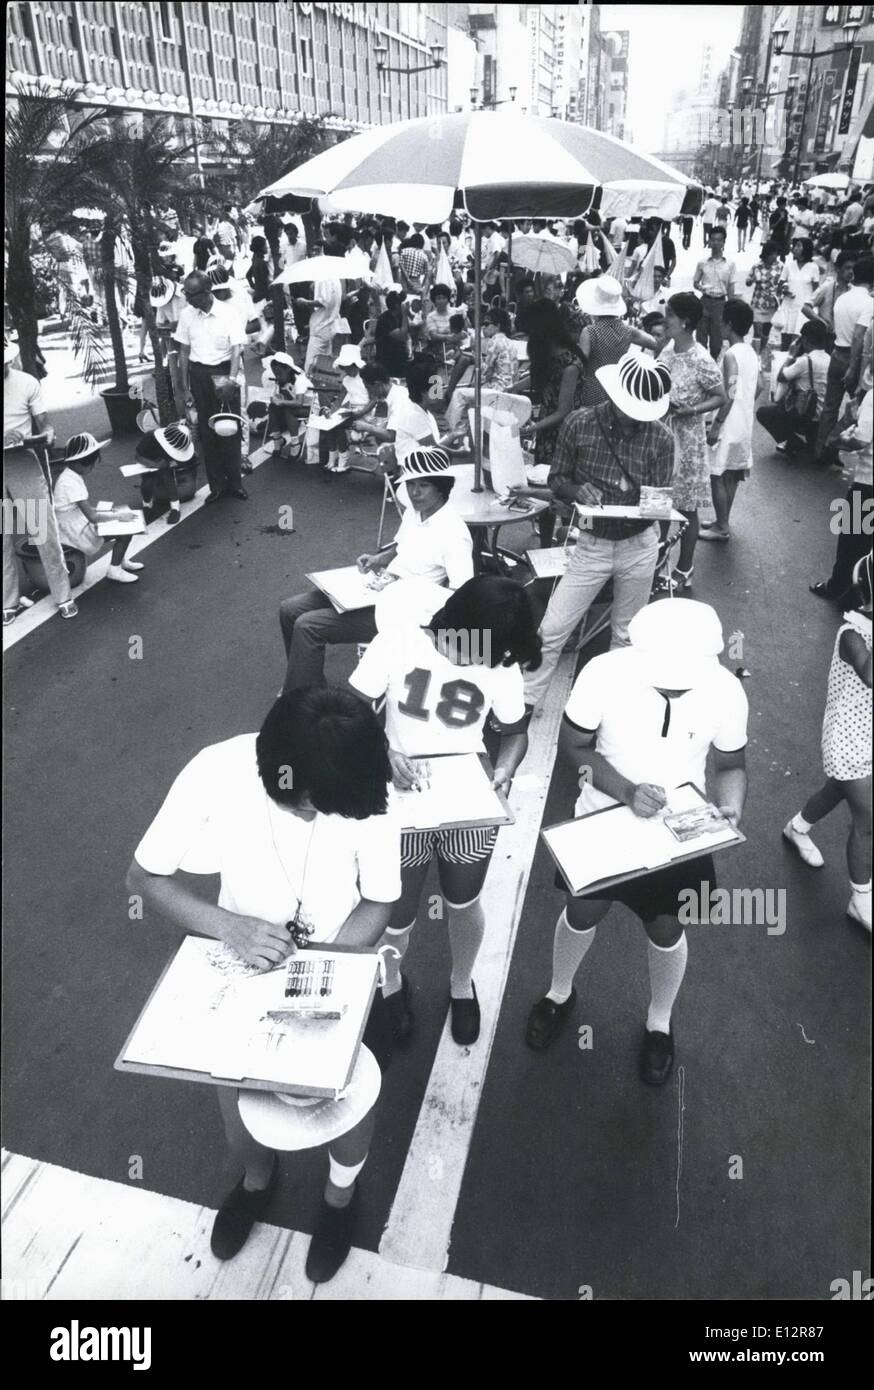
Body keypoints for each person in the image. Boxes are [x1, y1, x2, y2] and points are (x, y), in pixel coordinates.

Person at [126, 686, 402, 1280]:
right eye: (310, 806)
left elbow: (379, 899)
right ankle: (256, 1180)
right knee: (237, 1101)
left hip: (336, 961)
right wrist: (230, 927)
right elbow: (145, 878)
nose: (320, 816)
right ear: (280, 780)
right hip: (241, 963)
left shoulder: (366, 784)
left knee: (344, 1099)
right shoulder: (213, 771)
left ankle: (339, 1199)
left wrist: (318, 967)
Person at [524, 598, 749, 1083]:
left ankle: (659, 1022)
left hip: (679, 835)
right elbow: (574, 748)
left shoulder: (727, 690)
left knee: (666, 929)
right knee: (582, 912)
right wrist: (626, 792)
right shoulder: (603, 673)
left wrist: (732, 807)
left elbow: (731, 767)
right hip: (599, 820)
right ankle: (559, 992)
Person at [350, 577, 541, 1047]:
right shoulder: (397, 641)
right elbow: (349, 714)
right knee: (396, 912)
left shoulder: (499, 661)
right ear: (455, 623)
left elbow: (515, 732)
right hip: (399, 798)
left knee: (463, 902)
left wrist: (505, 771)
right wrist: (380, 754)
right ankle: (391, 984)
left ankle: (461, 984)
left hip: (468, 800)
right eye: (477, 651)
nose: (481, 663)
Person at [521, 350, 675, 712]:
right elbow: (558, 478)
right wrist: (577, 491)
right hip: (590, 542)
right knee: (554, 627)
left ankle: (612, 708)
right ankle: (525, 700)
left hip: (639, 545)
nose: (634, 419)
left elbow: (659, 502)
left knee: (626, 634)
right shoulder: (579, 423)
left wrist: (651, 514)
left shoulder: (662, 439)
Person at [279, 447, 474, 691]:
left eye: (423, 486)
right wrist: (378, 558)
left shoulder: (454, 534)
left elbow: (461, 593)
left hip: (402, 609)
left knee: (308, 626)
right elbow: (402, 547)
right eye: (411, 484)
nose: (414, 492)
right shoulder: (416, 512)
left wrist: (412, 600)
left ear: (442, 487)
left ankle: (302, 698)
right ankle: (308, 681)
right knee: (289, 610)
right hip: (377, 586)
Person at [783, 553, 872, 932]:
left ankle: (797, 827)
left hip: (868, 736)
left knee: (836, 790)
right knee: (868, 820)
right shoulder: (852, 633)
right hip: (849, 739)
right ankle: (861, 899)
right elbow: (870, 675)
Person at [3, 341, 76, 623]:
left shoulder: (26, 383)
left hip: (22, 461)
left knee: (42, 530)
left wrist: (46, 433)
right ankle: (7, 601)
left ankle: (63, 594)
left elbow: (44, 423)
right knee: (2, 534)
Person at [657, 293, 727, 590]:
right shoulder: (668, 350)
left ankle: (685, 567)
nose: (665, 319)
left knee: (685, 507)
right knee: (658, 503)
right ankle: (658, 562)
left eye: (670, 314)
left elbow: (721, 397)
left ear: (685, 321)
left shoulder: (701, 358)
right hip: (662, 433)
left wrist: (692, 409)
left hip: (687, 440)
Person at [174, 272, 247, 503]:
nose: (187, 298)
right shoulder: (186, 315)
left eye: (191, 294)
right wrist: (184, 387)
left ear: (206, 292)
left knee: (230, 429)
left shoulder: (228, 313)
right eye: (185, 292)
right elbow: (184, 351)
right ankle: (217, 486)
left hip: (225, 372)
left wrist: (232, 380)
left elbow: (237, 349)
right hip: (199, 375)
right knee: (207, 432)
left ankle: (235, 483)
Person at [809, 387, 873, 606]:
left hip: (868, 482)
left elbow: (862, 439)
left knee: (852, 539)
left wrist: (845, 438)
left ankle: (840, 588)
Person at [702, 299, 759, 540]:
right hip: (743, 421)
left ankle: (722, 526)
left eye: (723, 322)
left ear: (729, 324)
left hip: (728, 422)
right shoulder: (751, 352)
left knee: (717, 475)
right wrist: (745, 405)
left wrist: (716, 424)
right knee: (731, 474)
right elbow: (760, 386)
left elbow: (731, 391)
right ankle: (722, 519)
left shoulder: (731, 355)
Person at [52, 433, 142, 584]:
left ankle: (120, 560)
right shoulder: (69, 482)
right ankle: (115, 569)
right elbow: (92, 517)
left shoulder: (69, 476)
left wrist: (110, 513)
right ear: (84, 463)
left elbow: (80, 508)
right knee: (126, 530)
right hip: (75, 531)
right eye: (93, 464)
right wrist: (119, 516)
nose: (93, 468)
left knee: (117, 521)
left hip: (74, 523)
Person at [815, 255, 874, 460]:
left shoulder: (842, 298)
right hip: (854, 359)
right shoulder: (868, 303)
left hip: (836, 353)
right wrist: (854, 367)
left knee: (830, 407)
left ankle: (821, 450)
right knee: (860, 406)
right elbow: (859, 335)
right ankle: (834, 441)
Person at [575, 275, 654, 409]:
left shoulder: (590, 331)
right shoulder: (628, 331)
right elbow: (655, 343)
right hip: (617, 386)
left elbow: (580, 363)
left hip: (593, 387)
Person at [756, 319, 831, 455]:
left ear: (806, 340)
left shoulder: (805, 361)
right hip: (821, 419)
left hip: (803, 416)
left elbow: (781, 377)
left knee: (763, 413)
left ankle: (793, 442)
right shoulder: (829, 359)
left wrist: (791, 355)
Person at [444, 307, 517, 432]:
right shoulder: (511, 343)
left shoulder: (494, 342)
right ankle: (472, 430)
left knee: (458, 394)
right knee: (471, 395)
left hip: (496, 390)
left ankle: (453, 432)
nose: (483, 326)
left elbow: (484, 373)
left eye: (487, 324)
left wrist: (477, 358)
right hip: (510, 389)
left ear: (497, 326)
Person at [136, 423, 196, 526]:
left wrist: (173, 463)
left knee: (167, 476)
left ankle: (175, 507)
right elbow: (138, 456)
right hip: (149, 462)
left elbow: (189, 460)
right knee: (147, 483)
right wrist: (153, 465)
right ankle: (147, 505)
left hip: (166, 465)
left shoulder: (182, 442)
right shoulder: (149, 437)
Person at [692, 226, 738, 360]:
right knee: (701, 337)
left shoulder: (730, 264)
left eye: (719, 240)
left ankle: (713, 362)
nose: (716, 243)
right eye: (713, 240)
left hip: (720, 303)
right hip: (704, 301)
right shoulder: (702, 262)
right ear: (709, 241)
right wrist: (700, 287)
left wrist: (731, 308)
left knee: (717, 341)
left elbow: (730, 287)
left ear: (724, 242)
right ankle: (701, 362)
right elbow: (695, 282)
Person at [801, 249, 856, 345]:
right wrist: (822, 323)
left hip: (844, 339)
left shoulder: (853, 290)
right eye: (847, 268)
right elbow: (805, 308)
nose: (851, 272)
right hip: (826, 337)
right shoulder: (827, 286)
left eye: (853, 269)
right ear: (837, 268)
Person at [776, 237, 819, 350]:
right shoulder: (789, 266)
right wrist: (785, 290)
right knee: (785, 341)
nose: (795, 248)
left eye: (798, 246)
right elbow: (780, 286)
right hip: (788, 306)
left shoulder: (813, 267)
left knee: (799, 343)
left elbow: (816, 291)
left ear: (806, 249)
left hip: (803, 309)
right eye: (795, 245)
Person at [374, 290, 411, 377]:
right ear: (397, 305)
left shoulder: (401, 316)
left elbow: (408, 336)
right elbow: (402, 336)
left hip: (400, 356)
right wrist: (405, 315)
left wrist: (409, 349)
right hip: (387, 359)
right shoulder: (385, 319)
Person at [245, 235, 272, 305]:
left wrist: (254, 286)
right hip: (264, 297)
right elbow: (265, 283)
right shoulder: (261, 262)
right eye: (265, 245)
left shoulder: (255, 258)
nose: (267, 247)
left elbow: (248, 275)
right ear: (261, 247)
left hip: (258, 293)